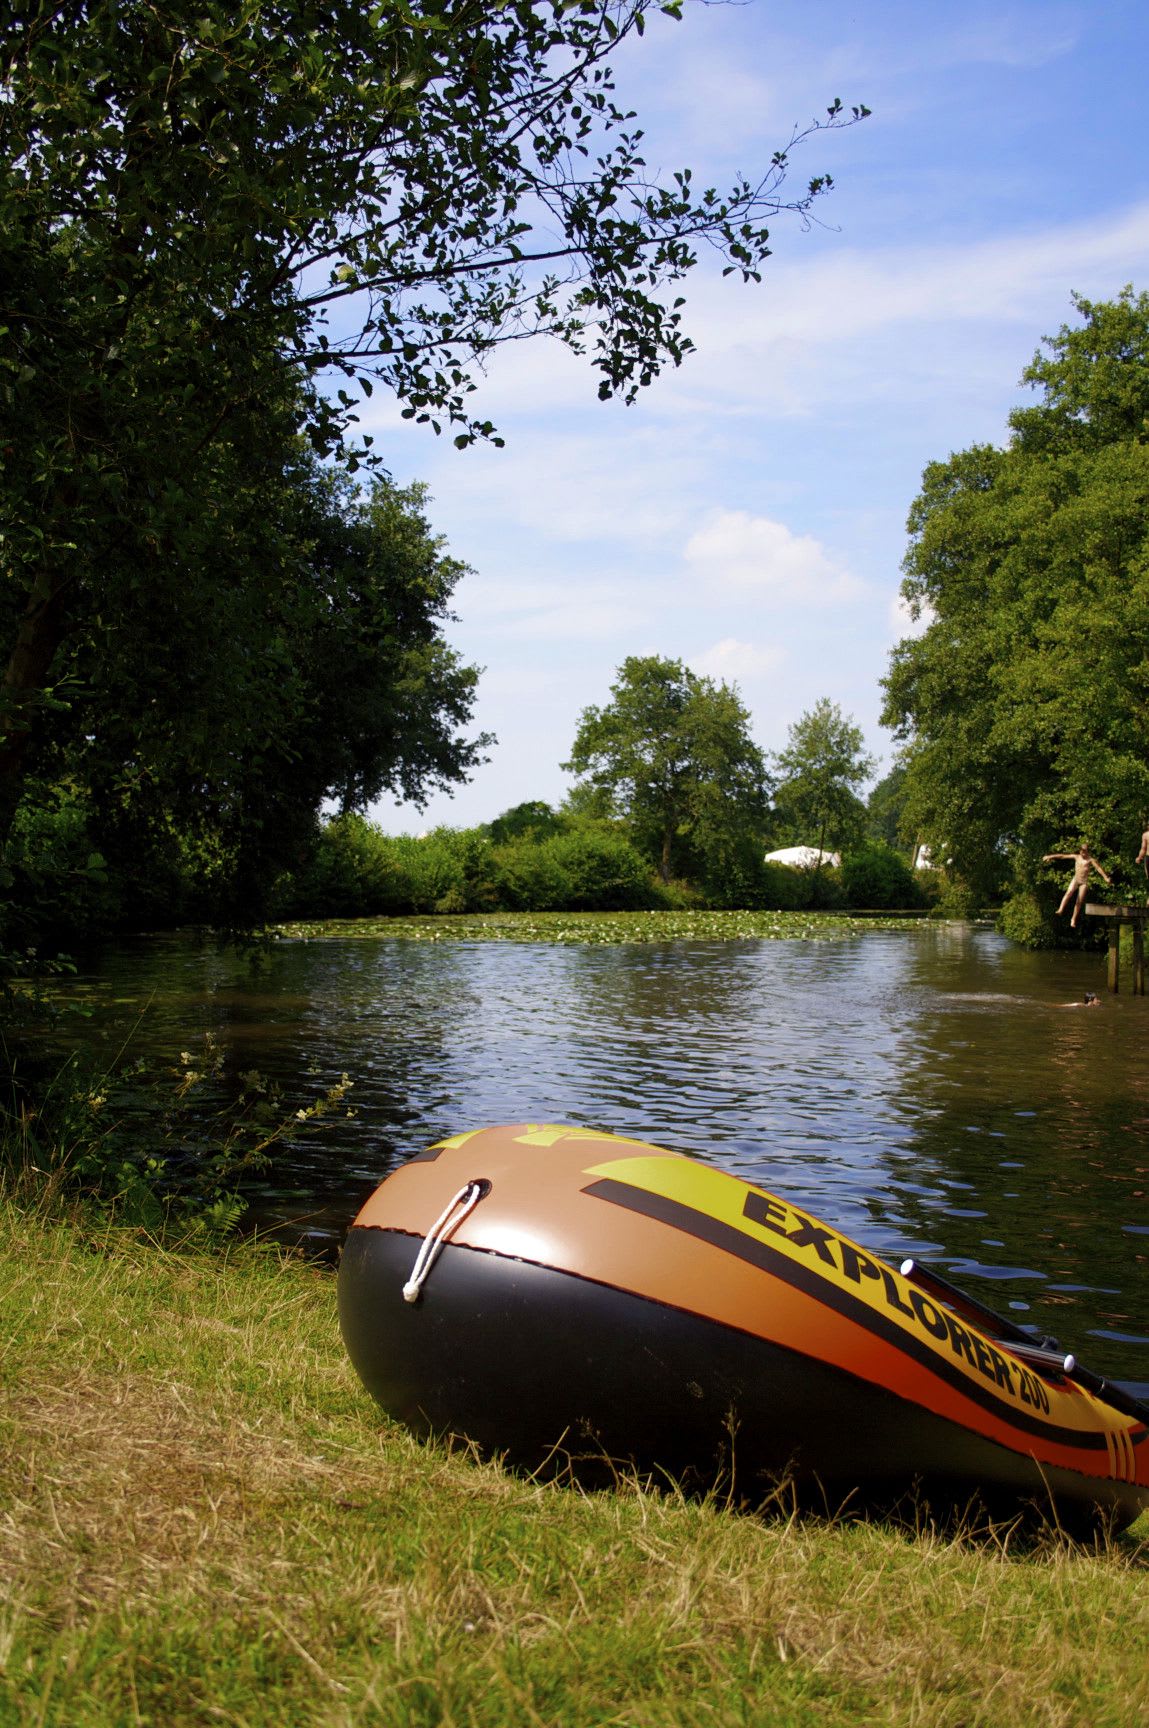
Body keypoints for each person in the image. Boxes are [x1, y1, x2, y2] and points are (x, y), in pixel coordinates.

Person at [1042, 844, 1112, 929]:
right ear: (1080, 851)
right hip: (1076, 880)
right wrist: (1050, 856)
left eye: (1085, 851)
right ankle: (1061, 909)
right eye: (1082, 851)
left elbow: (1098, 868)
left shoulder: (1090, 860)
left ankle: (1073, 919)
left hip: (1083, 882)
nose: (1083, 853)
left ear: (1087, 852)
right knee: (1069, 893)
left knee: (1079, 901)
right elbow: (1062, 856)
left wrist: (1105, 877)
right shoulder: (1076, 857)